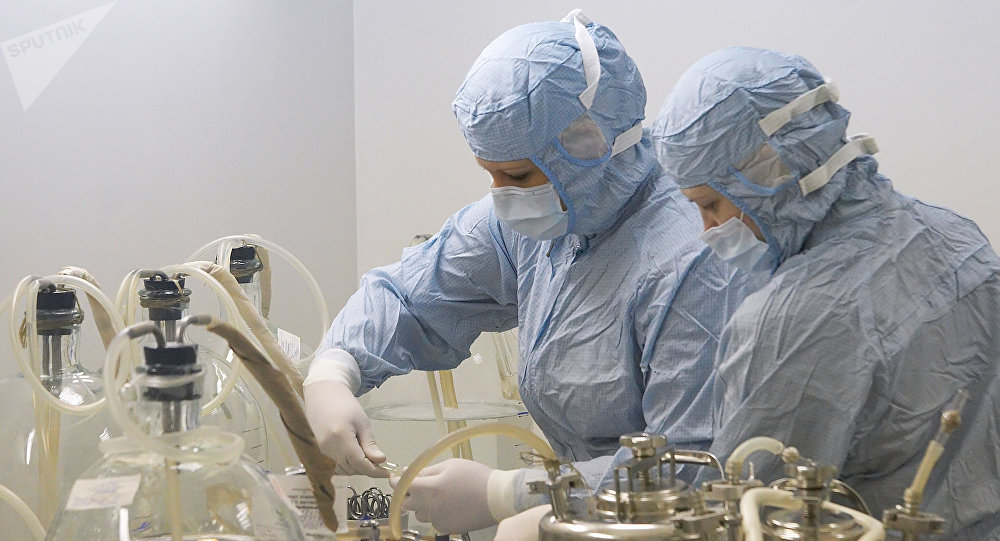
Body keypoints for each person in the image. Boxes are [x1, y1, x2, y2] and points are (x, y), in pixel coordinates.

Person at [303, 11, 759, 535]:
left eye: (517, 174)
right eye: (490, 173)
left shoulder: (692, 260)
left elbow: (691, 468)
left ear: (590, 144)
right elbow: (408, 294)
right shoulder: (538, 221)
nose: (503, 195)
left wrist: (510, 494)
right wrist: (333, 373)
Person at [650, 46, 1000, 538]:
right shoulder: (957, 235)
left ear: (770, 172)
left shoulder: (792, 319)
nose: (707, 230)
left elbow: (748, 513)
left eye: (710, 204)